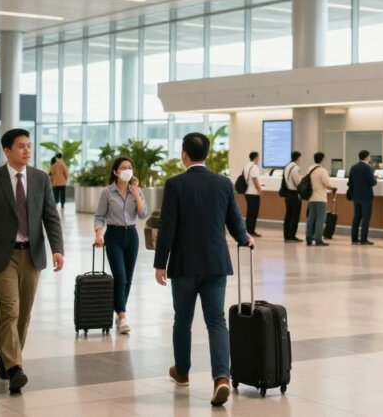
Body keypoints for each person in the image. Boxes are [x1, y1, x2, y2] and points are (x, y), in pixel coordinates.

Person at [153, 132, 253, 408]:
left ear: (184, 154)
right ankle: (221, 377)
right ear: (206, 155)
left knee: (182, 320)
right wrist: (245, 238)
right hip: (215, 263)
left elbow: (168, 227)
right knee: (216, 321)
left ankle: (182, 372)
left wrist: (160, 263)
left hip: (185, 265)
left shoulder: (175, 184)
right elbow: (234, 220)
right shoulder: (223, 183)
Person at [0, 128, 65, 394]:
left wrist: (58, 248)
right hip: (3, 255)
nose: (27, 150)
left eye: (29, 146)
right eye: (21, 146)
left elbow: (50, 216)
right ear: (7, 150)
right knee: (9, 310)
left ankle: (6, 356)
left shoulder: (40, 178)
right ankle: (15, 369)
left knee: (24, 313)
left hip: (32, 254)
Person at [93, 157, 148, 335]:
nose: (127, 170)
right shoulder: (107, 192)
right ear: (116, 172)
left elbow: (142, 214)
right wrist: (99, 234)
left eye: (130, 167)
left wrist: (136, 193)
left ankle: (118, 312)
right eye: (123, 167)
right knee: (120, 275)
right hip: (114, 236)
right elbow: (100, 216)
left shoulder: (136, 191)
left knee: (128, 278)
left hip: (131, 235)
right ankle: (123, 316)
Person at [305, 152, 336, 247]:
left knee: (311, 219)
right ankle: (318, 239)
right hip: (320, 198)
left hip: (311, 197)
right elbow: (327, 184)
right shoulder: (322, 171)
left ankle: (309, 238)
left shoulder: (309, 169)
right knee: (320, 219)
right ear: (322, 159)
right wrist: (332, 188)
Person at [348, 149, 378, 245]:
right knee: (365, 218)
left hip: (356, 196)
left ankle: (354, 238)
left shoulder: (353, 167)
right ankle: (363, 239)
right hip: (366, 197)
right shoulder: (367, 168)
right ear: (366, 157)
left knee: (356, 217)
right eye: (369, 156)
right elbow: (372, 182)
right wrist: (375, 178)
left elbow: (350, 182)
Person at [282, 151, 303, 243]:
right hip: (294, 194)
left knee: (288, 215)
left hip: (287, 193)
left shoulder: (287, 166)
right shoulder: (295, 167)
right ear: (298, 157)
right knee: (295, 216)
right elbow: (297, 182)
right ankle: (292, 235)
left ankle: (286, 235)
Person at [240, 152, 263, 238]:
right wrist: (259, 190)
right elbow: (254, 179)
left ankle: (249, 230)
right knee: (253, 213)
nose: (259, 159)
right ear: (256, 157)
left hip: (247, 192)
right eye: (258, 157)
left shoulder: (246, 166)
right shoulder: (254, 167)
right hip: (253, 193)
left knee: (250, 212)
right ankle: (251, 231)